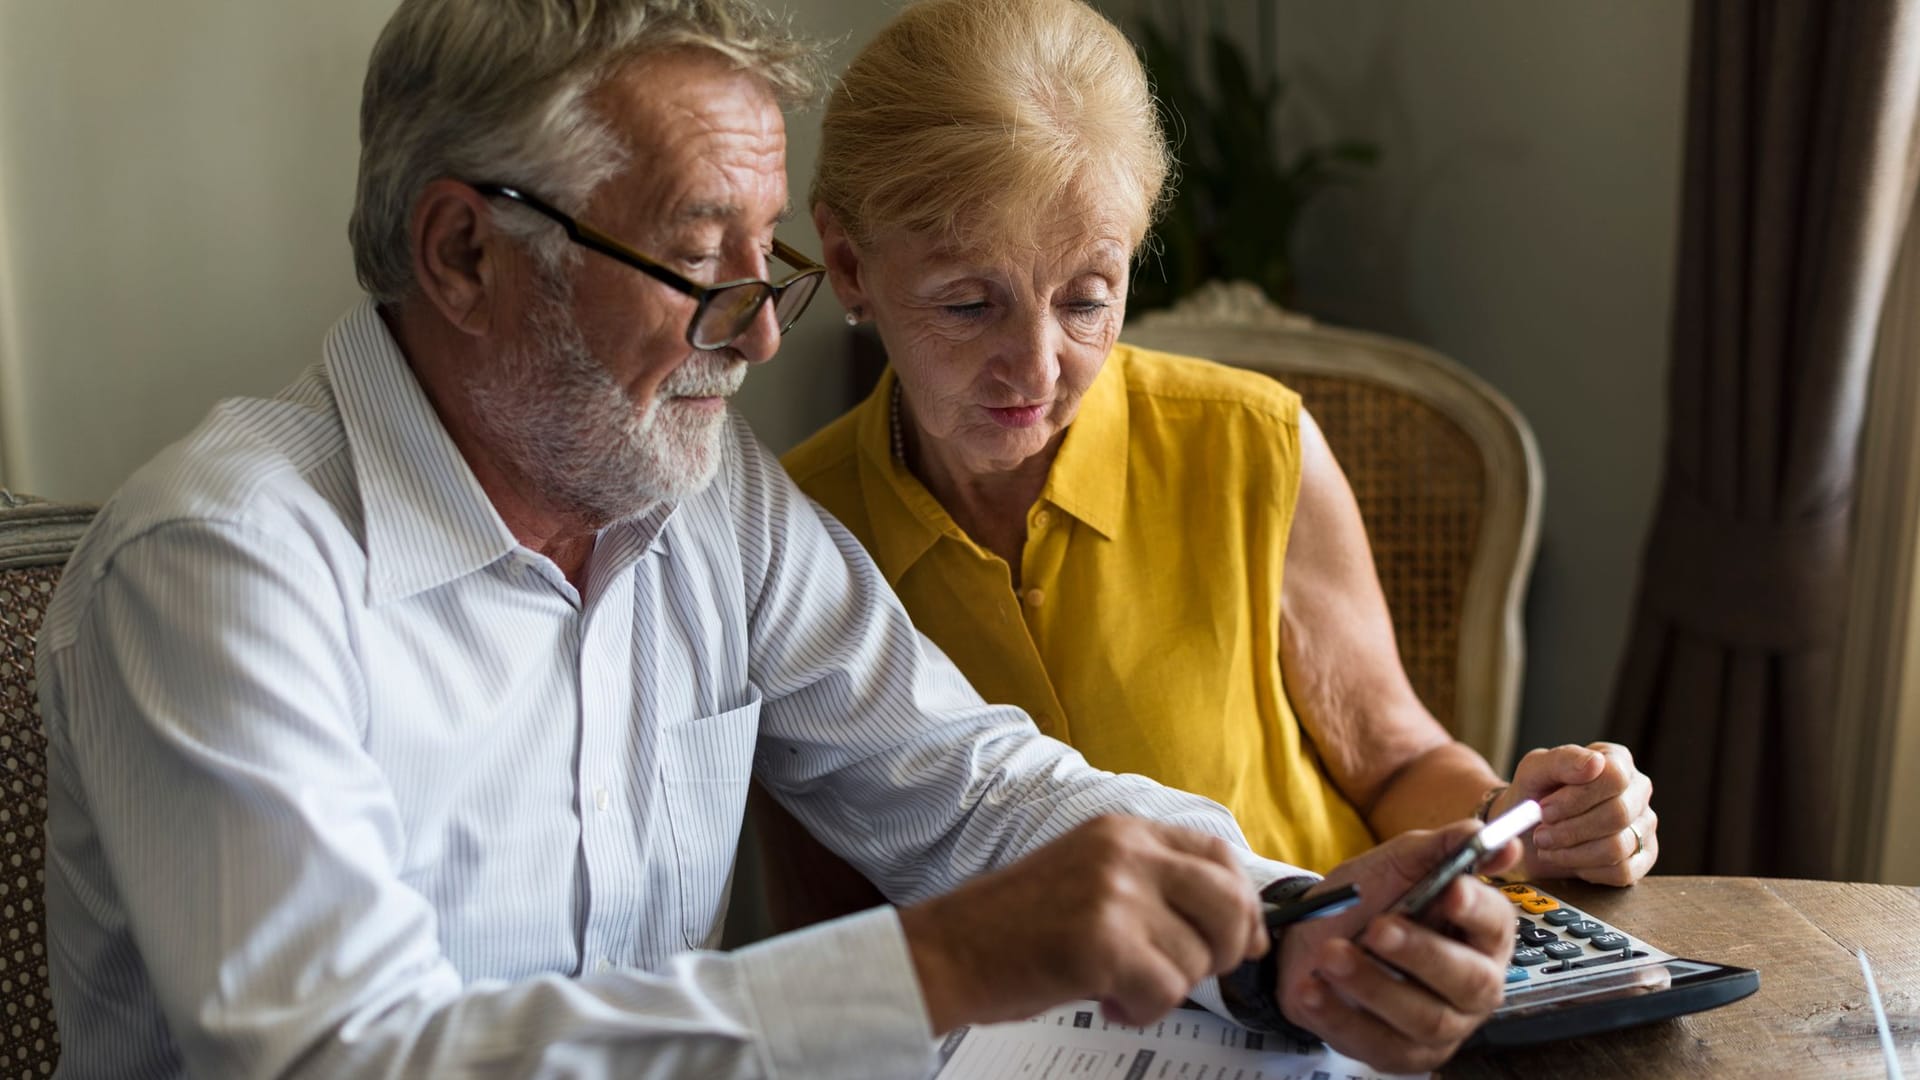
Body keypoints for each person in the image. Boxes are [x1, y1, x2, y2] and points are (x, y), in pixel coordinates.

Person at [39, 1, 1520, 1076]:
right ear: (464, 251)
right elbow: (338, 1063)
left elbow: (971, 785)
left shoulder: (702, 493)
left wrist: (1292, 918)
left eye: (772, 269)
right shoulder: (222, 566)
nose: (753, 339)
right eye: (695, 267)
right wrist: (945, 958)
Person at [761, 0, 1659, 928]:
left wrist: (1521, 826)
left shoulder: (1252, 446)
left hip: (1321, 1009)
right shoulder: (787, 538)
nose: (1037, 368)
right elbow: (830, 923)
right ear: (849, 263)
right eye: (966, 305)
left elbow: (1397, 762)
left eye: (1085, 300)